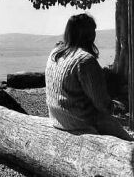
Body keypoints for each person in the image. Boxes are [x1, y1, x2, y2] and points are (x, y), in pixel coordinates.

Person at [45, 13, 132, 141]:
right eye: (94, 30)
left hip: (57, 118)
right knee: (128, 144)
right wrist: (116, 106)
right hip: (79, 123)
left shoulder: (55, 53)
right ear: (89, 34)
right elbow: (102, 104)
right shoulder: (85, 60)